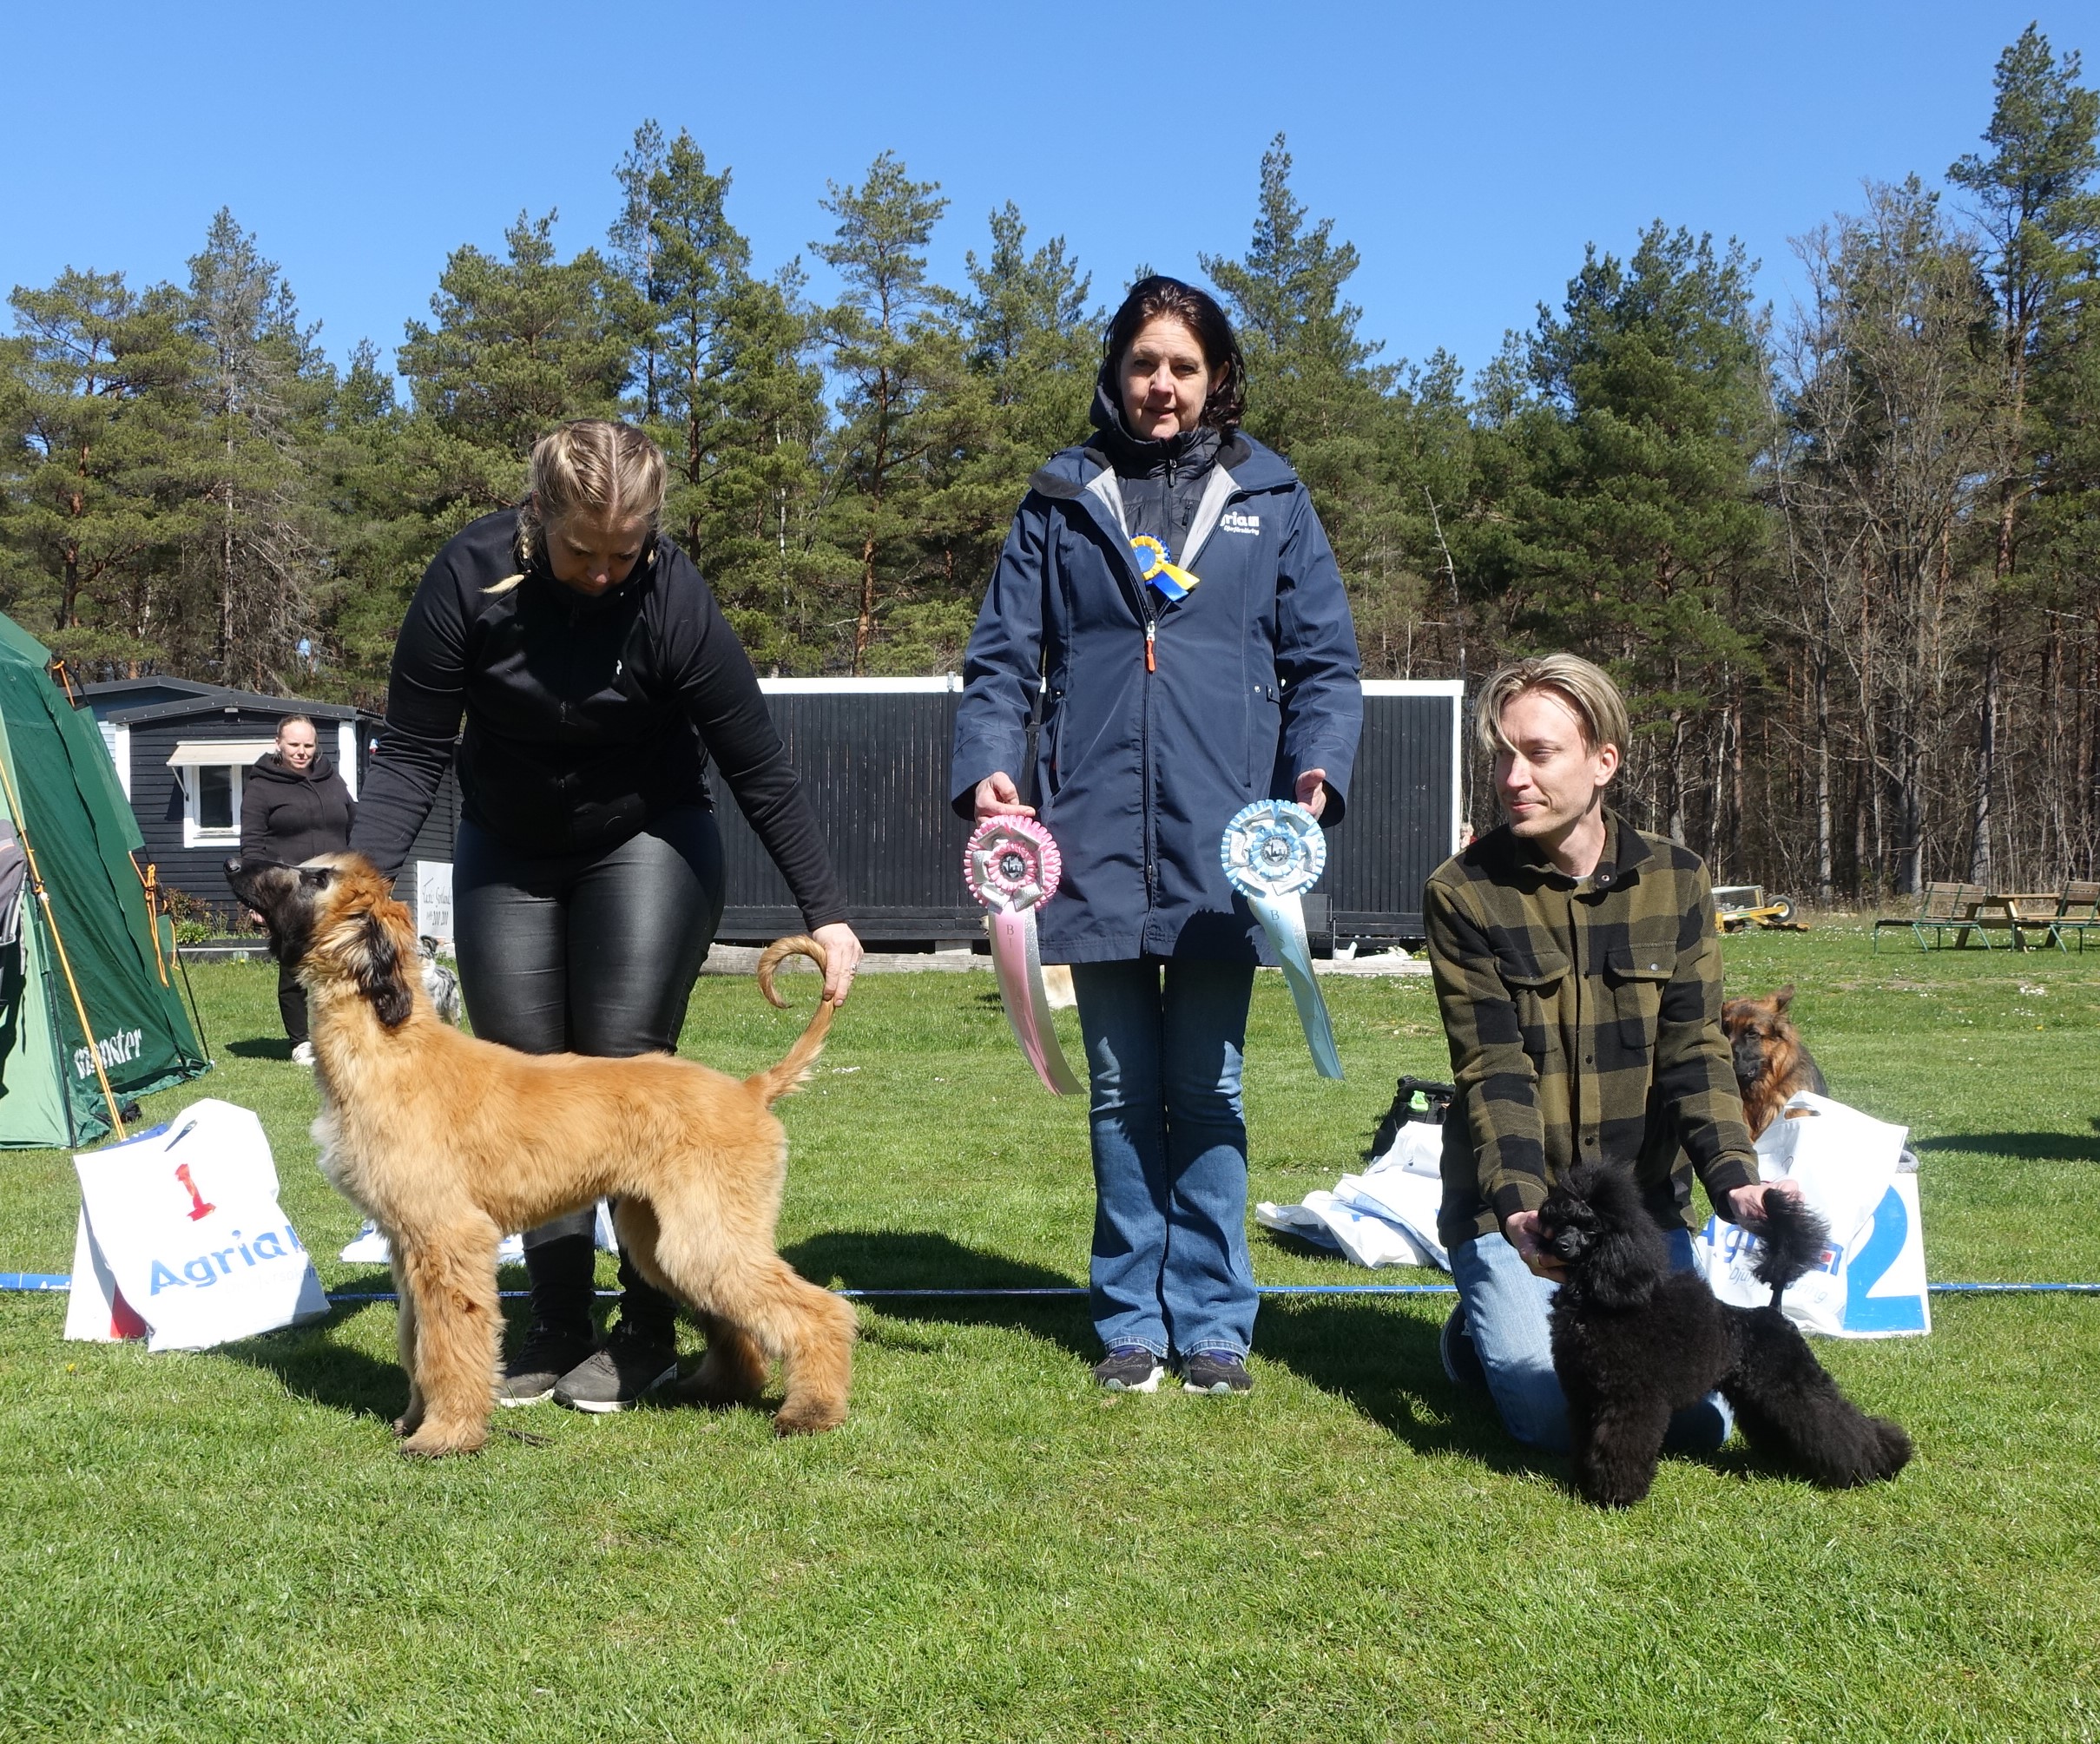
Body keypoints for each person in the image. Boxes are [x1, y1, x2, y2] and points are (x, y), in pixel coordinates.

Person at [350, 418, 864, 1414]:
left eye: (623, 552)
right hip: (508, 840)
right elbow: (412, 752)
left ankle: (645, 1330)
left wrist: (829, 913)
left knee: (627, 1066)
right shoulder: (465, 579)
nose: (600, 572)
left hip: (648, 836)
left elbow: (756, 763)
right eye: (582, 549)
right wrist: (365, 898)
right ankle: (554, 1322)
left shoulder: (674, 599)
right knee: (521, 1078)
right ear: (535, 516)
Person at [951, 276, 1362, 1396]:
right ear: (1116, 372)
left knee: (1211, 1088)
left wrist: (1317, 764)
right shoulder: (1058, 497)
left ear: (1215, 375)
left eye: (1183, 366)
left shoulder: (1269, 496)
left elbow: (1323, 659)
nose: (1162, 386)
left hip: (1225, 845)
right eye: (1144, 365)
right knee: (1124, 1093)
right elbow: (1000, 660)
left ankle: (1217, 1322)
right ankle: (1131, 1317)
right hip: (1084, 834)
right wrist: (990, 763)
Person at [1425, 653, 1795, 1454]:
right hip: (1521, 1208)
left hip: (1640, 1214)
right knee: (1559, 1422)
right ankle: (1481, 1324)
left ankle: (1497, 1326)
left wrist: (1738, 1184)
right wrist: (1522, 1211)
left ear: (1603, 762)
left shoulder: (1679, 880)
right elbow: (1492, 1069)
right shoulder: (1463, 892)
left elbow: (1695, 1052)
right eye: (1500, 754)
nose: (1510, 776)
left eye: (1537, 753)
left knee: (1692, 1420)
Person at [240, 714, 354, 1066]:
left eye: (308, 745)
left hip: (335, 887)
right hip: (289, 893)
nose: (302, 752)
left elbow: (354, 823)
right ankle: (301, 1041)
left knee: (341, 960)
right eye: (294, 745)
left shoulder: (332, 779)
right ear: (278, 744)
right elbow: (252, 847)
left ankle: (340, 1032)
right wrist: (256, 899)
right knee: (294, 965)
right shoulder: (262, 786)